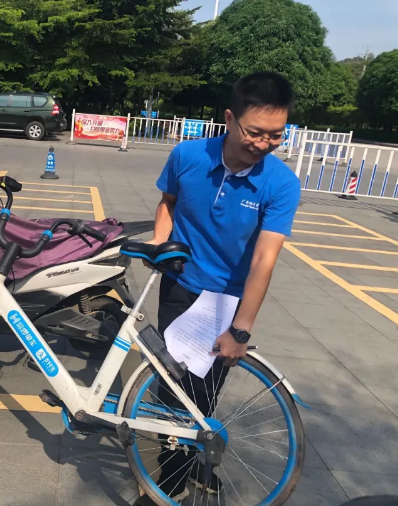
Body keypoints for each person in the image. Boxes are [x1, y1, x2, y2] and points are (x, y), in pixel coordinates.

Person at [148, 71, 301, 500]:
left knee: (205, 390)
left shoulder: (281, 184)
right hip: (180, 284)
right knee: (173, 385)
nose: (264, 143)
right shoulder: (187, 156)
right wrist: (160, 242)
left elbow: (264, 259)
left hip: (227, 301)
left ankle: (187, 466)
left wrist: (241, 330)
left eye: (276, 135)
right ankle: (173, 478)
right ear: (230, 119)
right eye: (255, 132)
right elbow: (168, 202)